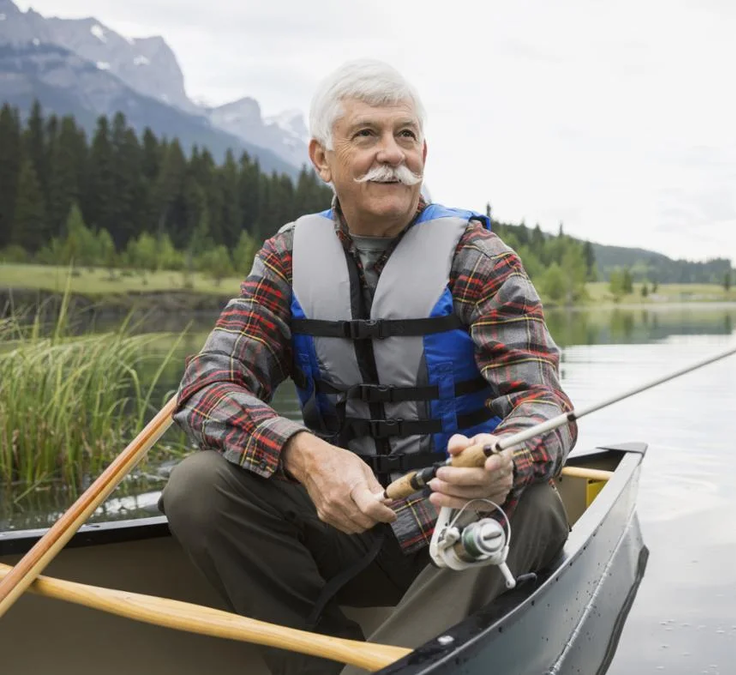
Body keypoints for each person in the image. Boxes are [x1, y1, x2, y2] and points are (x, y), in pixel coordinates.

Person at [158, 58, 575, 675]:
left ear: (425, 153)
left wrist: (503, 457)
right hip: (339, 521)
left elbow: (548, 408)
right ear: (322, 160)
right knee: (197, 486)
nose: (392, 154)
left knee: (534, 504)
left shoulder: (481, 260)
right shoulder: (287, 259)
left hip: (452, 519)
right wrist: (305, 454)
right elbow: (207, 386)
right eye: (366, 135)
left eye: (405, 135)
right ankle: (315, 662)